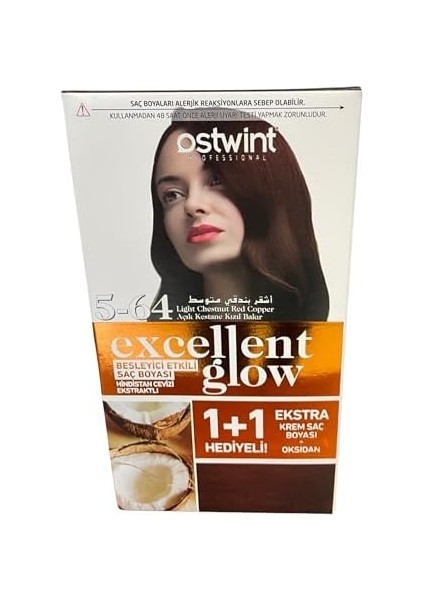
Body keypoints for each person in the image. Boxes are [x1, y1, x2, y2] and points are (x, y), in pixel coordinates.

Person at [149, 109, 329, 321]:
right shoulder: (153, 340)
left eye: (216, 180)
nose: (192, 204)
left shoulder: (321, 337)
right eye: (172, 195)